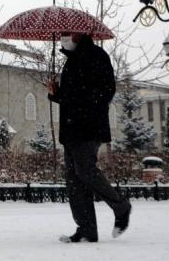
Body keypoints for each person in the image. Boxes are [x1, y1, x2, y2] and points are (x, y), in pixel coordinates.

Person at [47, 32, 131, 243]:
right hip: (71, 130)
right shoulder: (71, 61)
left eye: (67, 35)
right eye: (62, 36)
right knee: (74, 180)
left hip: (89, 127)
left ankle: (121, 206)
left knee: (85, 170)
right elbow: (70, 97)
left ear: (80, 35)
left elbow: (105, 91)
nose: (63, 39)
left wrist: (75, 99)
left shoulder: (96, 56)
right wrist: (56, 93)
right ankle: (86, 229)